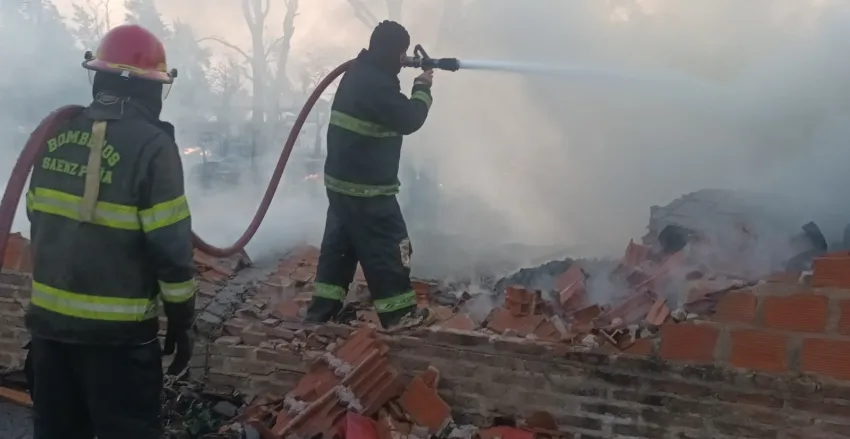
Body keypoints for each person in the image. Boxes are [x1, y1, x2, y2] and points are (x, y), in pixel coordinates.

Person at [25, 24, 196, 439]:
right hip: (118, 345)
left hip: (50, 335)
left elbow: (36, 216)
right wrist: (181, 319)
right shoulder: (154, 148)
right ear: (149, 89)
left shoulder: (56, 136)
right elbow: (171, 251)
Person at [304, 20, 436, 329]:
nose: (404, 60)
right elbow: (408, 119)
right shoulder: (377, 84)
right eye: (402, 53)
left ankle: (322, 312)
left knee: (340, 249)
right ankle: (399, 314)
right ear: (393, 51)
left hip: (341, 187)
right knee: (389, 247)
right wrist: (422, 89)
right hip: (367, 190)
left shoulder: (360, 73)